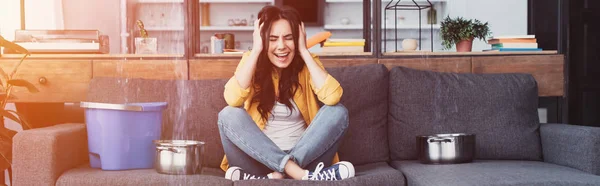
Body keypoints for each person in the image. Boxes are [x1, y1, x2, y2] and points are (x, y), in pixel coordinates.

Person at [217, 5, 354, 181]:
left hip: (305, 160)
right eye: (272, 39)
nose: (281, 46)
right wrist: (257, 50)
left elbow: (333, 97)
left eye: (288, 38)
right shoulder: (251, 61)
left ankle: (279, 175)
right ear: (262, 40)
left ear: (297, 39)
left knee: (338, 112)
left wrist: (304, 51)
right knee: (228, 114)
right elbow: (233, 98)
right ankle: (294, 172)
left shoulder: (307, 64)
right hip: (258, 162)